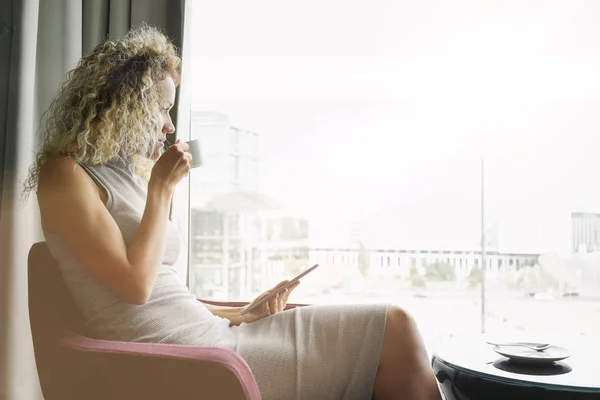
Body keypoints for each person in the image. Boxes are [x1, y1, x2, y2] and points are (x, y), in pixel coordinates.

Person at [26, 24, 441, 400]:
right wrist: (161, 190)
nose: (169, 126)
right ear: (122, 105)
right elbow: (134, 288)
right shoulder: (65, 175)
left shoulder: (130, 176)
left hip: (214, 336)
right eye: (160, 108)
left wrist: (239, 313)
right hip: (189, 361)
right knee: (394, 328)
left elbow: (165, 296)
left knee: (396, 326)